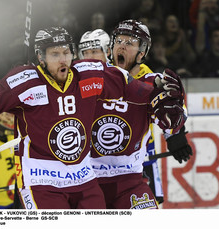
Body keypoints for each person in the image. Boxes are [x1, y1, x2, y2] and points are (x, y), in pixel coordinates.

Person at [0, 26, 185, 209]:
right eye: (55, 54)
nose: (63, 59)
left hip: (84, 178)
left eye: (66, 52)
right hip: (41, 179)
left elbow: (130, 87)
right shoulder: (25, 82)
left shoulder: (89, 74)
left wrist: (162, 91)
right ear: (41, 57)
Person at [78, 20, 192, 208]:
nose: (122, 45)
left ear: (142, 53)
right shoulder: (91, 79)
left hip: (129, 180)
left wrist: (175, 132)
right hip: (87, 179)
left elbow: (172, 115)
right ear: (110, 49)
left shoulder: (153, 83)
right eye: (119, 41)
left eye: (130, 42)